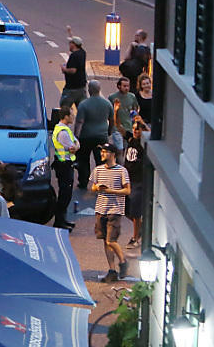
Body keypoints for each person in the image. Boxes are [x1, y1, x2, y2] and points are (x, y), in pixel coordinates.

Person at [90, 144, 131, 282]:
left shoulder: (121, 171)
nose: (102, 154)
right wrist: (97, 188)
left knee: (111, 240)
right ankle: (112, 270)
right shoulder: (98, 170)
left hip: (115, 210)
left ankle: (123, 261)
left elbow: (127, 191)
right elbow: (93, 187)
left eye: (105, 151)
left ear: (113, 154)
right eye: (101, 151)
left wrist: (110, 191)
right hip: (101, 210)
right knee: (105, 242)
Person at [75, 80, 114, 189]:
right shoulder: (107, 104)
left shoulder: (83, 104)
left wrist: (76, 136)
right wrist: (109, 131)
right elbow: (112, 120)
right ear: (99, 89)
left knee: (83, 160)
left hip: (86, 136)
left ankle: (83, 181)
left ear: (89, 90)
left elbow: (79, 122)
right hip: (101, 136)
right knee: (101, 160)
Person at [51, 107, 79, 230]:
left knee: (66, 195)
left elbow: (77, 143)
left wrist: (76, 146)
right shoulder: (63, 132)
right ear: (66, 116)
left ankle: (63, 219)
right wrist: (76, 146)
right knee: (64, 195)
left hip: (66, 165)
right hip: (64, 166)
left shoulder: (64, 129)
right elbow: (73, 146)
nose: (73, 117)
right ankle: (59, 222)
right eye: (72, 115)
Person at [124, 119, 149, 248]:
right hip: (128, 180)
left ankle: (135, 238)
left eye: (137, 129)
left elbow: (151, 135)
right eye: (134, 128)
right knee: (125, 209)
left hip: (138, 180)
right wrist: (116, 112)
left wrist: (143, 124)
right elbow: (119, 127)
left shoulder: (143, 143)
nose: (135, 131)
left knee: (135, 211)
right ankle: (141, 227)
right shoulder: (130, 141)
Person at [60, 35, 88, 107]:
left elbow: (73, 70)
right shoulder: (83, 53)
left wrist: (64, 69)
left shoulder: (74, 55)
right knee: (82, 108)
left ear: (73, 44)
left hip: (71, 88)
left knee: (64, 107)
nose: (69, 45)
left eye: (70, 43)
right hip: (81, 87)